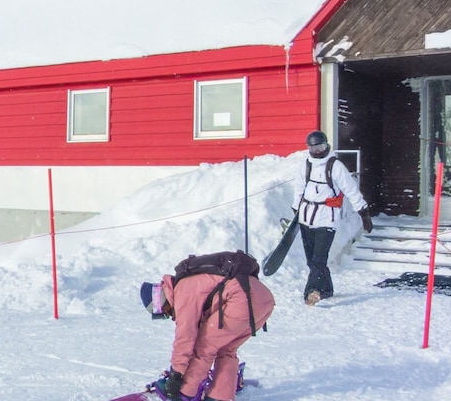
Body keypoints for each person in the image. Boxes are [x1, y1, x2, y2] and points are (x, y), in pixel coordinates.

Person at [141, 251, 276, 401]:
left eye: (165, 312)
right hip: (263, 300)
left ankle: (185, 394)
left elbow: (185, 338)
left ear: (162, 301)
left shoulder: (182, 291)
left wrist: (176, 375)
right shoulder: (187, 282)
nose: (169, 315)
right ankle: (219, 396)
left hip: (242, 299)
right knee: (226, 349)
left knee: (204, 347)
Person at [296, 130, 372, 306]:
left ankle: (312, 291)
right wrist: (296, 209)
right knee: (311, 259)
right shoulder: (305, 165)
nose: (317, 151)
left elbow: (351, 190)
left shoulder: (335, 166)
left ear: (326, 146)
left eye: (320, 147)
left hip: (327, 218)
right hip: (307, 217)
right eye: (313, 148)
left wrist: (364, 213)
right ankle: (327, 289)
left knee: (319, 258)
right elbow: (299, 189)